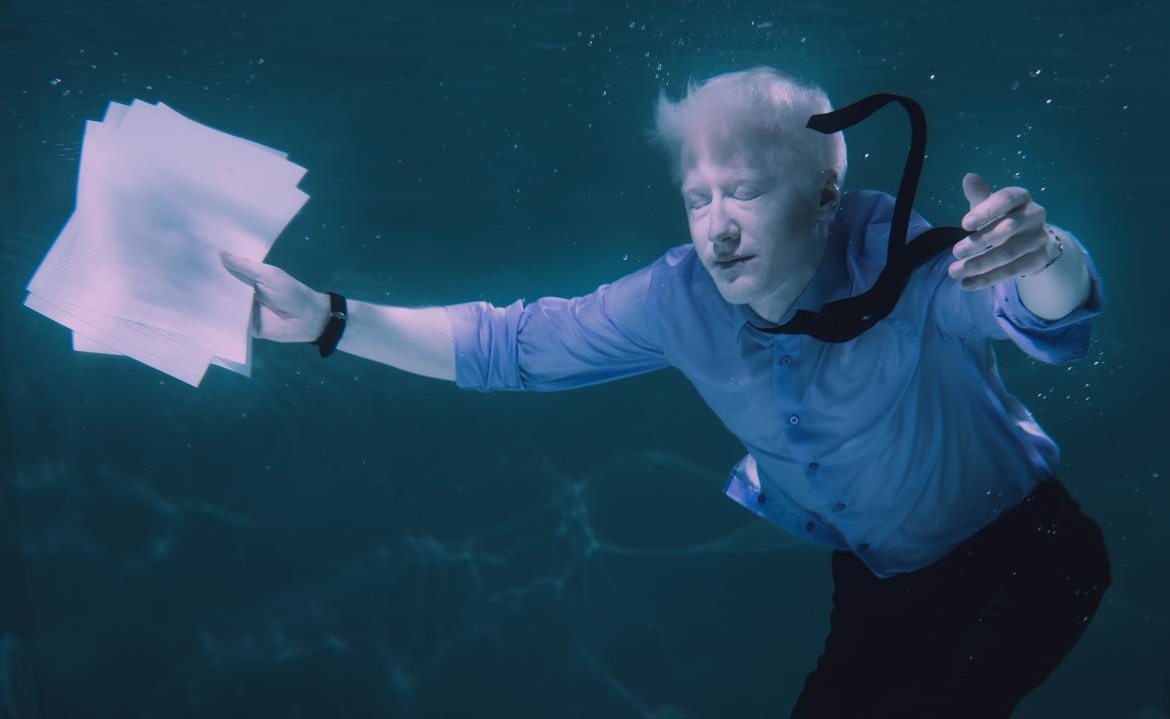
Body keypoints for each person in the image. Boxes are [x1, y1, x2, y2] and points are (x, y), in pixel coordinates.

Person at [220, 66, 1111, 717]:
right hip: (881, 580)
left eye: (745, 192)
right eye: (698, 198)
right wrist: (328, 318)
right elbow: (510, 345)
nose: (717, 230)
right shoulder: (678, 296)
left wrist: (1048, 254)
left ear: (825, 195)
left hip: (1028, 559)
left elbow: (1043, 314)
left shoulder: (909, 267)